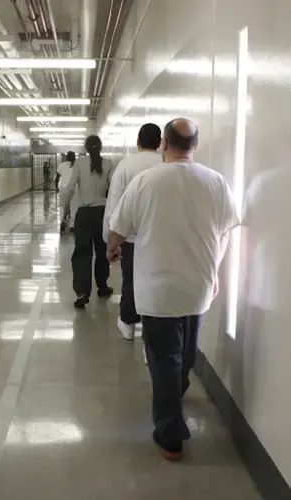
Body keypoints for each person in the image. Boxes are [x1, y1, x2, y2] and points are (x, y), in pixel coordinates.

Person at [107, 118, 239, 460]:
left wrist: (112, 248)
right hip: (198, 285)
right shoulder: (216, 182)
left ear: (164, 142)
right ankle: (176, 393)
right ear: (195, 145)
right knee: (186, 350)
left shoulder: (146, 181)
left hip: (157, 287)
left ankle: (170, 436)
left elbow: (119, 226)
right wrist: (215, 270)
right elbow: (226, 228)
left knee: (164, 358)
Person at [104, 123, 161, 341]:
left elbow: (114, 207)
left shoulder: (125, 166)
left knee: (131, 280)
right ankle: (151, 335)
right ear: (160, 142)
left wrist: (111, 242)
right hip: (158, 237)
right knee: (155, 284)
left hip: (130, 238)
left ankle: (128, 323)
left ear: (138, 141)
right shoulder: (165, 165)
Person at [62, 135, 115, 308]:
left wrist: (65, 210)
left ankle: (82, 292)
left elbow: (70, 188)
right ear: (100, 147)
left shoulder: (79, 163)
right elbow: (113, 191)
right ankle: (102, 286)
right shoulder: (108, 164)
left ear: (85, 148)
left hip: (84, 214)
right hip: (102, 213)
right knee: (102, 252)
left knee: (82, 253)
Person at [57, 151, 76, 233]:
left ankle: (63, 221)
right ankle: (72, 225)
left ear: (66, 157)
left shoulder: (62, 165)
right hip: (75, 190)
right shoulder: (77, 165)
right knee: (74, 207)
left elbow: (57, 177)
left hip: (64, 189)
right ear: (74, 157)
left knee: (63, 207)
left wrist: (56, 189)